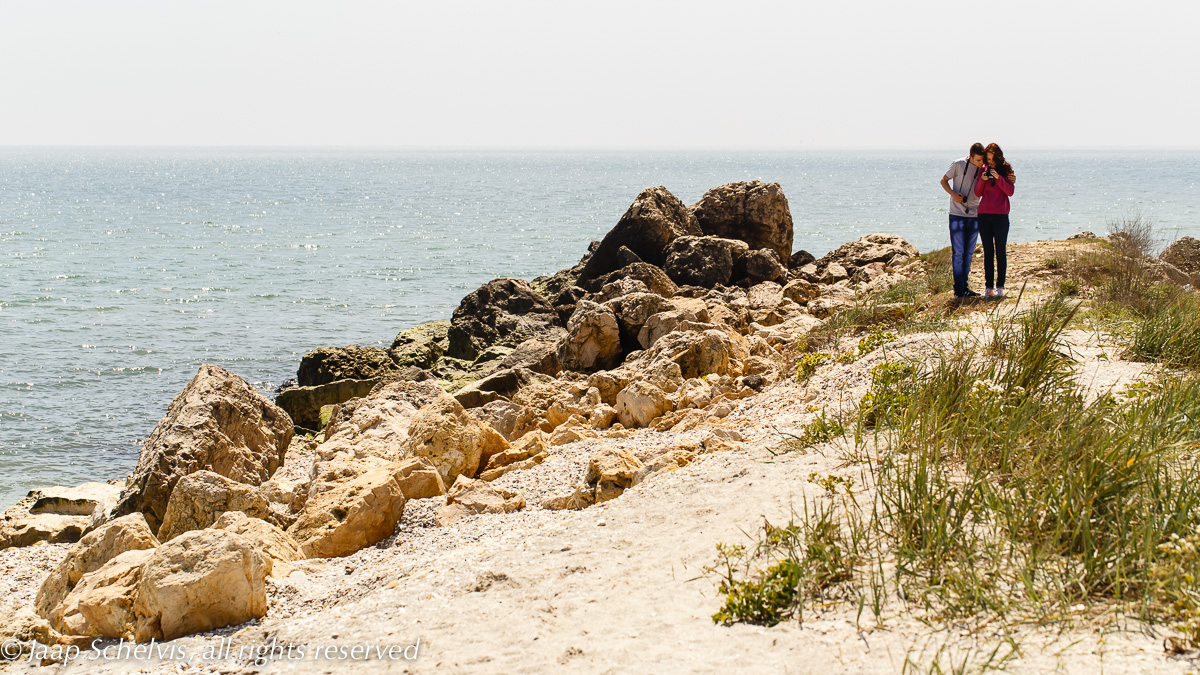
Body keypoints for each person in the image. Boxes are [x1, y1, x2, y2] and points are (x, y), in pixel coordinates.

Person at [940, 143, 986, 297]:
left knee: (969, 253)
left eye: (982, 160)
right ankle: (959, 289)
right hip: (956, 214)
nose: (981, 163)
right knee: (958, 252)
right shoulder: (958, 164)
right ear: (971, 156)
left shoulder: (984, 169)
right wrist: (954, 194)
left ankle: (964, 287)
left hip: (975, 215)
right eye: (978, 160)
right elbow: (943, 181)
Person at [974, 143, 1016, 297]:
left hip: (1001, 216)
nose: (990, 162)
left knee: (1000, 251)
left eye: (992, 159)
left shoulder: (1006, 170)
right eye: (988, 158)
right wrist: (983, 179)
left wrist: (999, 178)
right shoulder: (982, 169)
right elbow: (977, 192)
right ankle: (988, 288)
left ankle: (1000, 287)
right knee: (988, 252)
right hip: (984, 215)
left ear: (998, 157)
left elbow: (1010, 192)